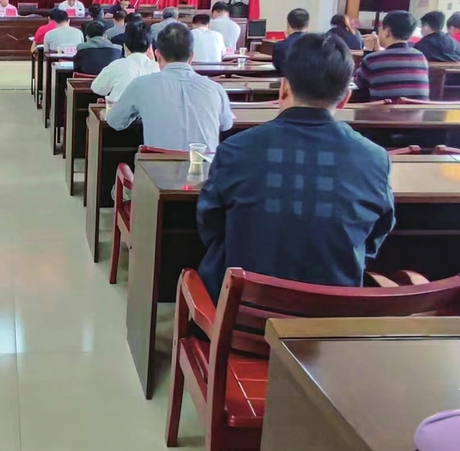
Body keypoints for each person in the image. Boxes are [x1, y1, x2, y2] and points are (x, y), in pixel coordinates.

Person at [196, 32, 395, 298]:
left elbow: (210, 224)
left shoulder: (235, 150)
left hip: (244, 310)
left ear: (284, 88)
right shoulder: (374, 159)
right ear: (345, 98)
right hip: (331, 315)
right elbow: (373, 238)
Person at [107, 23, 233, 151]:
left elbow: (115, 122)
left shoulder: (140, 85)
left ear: (158, 55)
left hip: (157, 163)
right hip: (204, 163)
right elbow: (226, 125)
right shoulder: (215, 89)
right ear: (191, 56)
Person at [355, 10, 429, 101]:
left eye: (381, 29)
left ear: (387, 32)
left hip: (382, 110)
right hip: (417, 110)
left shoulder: (372, 59)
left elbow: (358, 83)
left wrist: (367, 50)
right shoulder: (421, 57)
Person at [91, 21, 159, 102]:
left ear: (125, 46)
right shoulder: (158, 68)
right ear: (149, 47)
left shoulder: (117, 65)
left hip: (119, 108)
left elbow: (97, 88)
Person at [271, 8, 311, 72]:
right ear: (307, 25)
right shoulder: (317, 46)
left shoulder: (280, 46)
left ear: (288, 24)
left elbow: (278, 68)